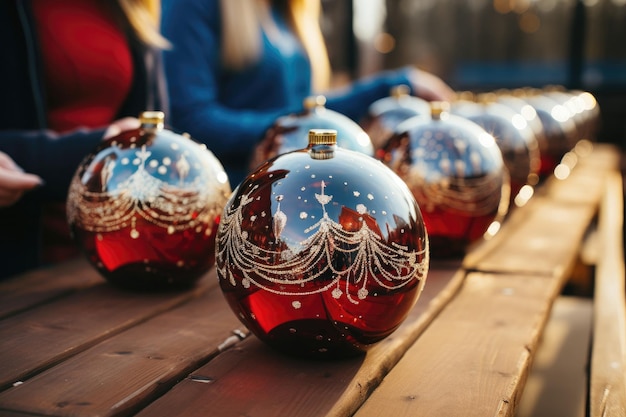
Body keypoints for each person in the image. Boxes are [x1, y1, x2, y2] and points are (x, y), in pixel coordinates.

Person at [161, 0, 456, 185]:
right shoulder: (194, 6)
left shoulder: (286, 11)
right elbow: (193, 120)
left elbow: (308, 111)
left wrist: (393, 86)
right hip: (241, 197)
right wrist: (296, 130)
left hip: (300, 183)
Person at [0, 0, 169, 279]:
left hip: (115, 259)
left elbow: (157, 125)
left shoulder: (131, 6)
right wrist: (99, 151)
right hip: (22, 269)